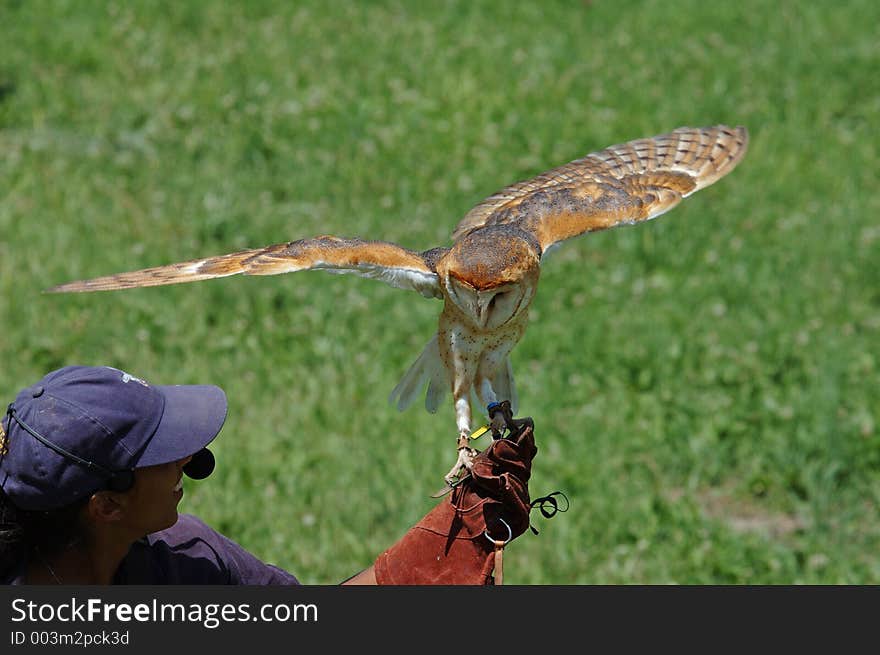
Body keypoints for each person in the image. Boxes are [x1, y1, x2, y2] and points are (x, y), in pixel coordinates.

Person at [0, 365, 537, 585]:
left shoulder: (189, 558)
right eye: (164, 451)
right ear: (106, 505)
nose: (191, 458)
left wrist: (446, 543)